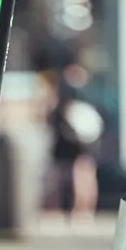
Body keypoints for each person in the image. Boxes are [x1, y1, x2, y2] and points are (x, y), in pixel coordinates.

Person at [46, 64, 104, 222]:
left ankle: (81, 210)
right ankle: (81, 211)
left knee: (80, 174)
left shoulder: (69, 96)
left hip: (75, 140)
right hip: (80, 139)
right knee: (80, 173)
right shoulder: (90, 94)